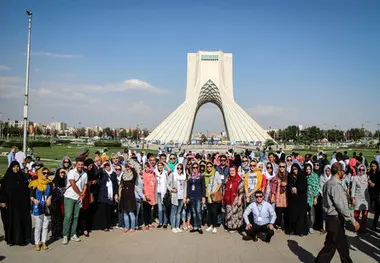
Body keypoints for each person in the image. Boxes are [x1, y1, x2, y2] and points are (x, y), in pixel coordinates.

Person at [315, 162, 360, 263]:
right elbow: (341, 206)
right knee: (330, 247)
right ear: (339, 171)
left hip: (332, 219)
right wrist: (353, 220)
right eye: (343, 170)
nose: (344, 172)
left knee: (342, 247)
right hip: (335, 220)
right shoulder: (335, 185)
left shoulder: (328, 183)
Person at [0, 161, 32, 246]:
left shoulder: (22, 177)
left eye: (17, 166)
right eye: (14, 167)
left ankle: (20, 239)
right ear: (11, 168)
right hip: (10, 205)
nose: (16, 168)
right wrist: (2, 201)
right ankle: (12, 239)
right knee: (11, 221)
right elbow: (2, 191)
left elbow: (27, 190)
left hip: (21, 205)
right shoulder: (6, 178)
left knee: (20, 222)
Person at [62, 158, 88, 245]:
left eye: (81, 165)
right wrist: (81, 193)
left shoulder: (84, 174)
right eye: (79, 164)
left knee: (76, 217)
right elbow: (73, 184)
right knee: (68, 216)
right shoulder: (72, 172)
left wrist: (82, 195)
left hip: (78, 198)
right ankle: (65, 235)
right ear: (76, 164)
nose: (80, 166)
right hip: (69, 197)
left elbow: (85, 185)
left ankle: (73, 234)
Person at [29, 167, 53, 251]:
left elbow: (51, 193)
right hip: (38, 206)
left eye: (47, 173)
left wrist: (50, 198)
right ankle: (37, 243)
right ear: (40, 173)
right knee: (38, 226)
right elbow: (31, 195)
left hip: (47, 206)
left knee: (46, 226)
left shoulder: (50, 183)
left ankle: (44, 242)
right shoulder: (34, 183)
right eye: (44, 173)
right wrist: (34, 200)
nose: (46, 175)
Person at [92, 161, 118, 231]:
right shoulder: (102, 173)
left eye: (108, 165)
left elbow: (115, 184)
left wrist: (116, 194)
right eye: (106, 165)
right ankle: (104, 226)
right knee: (103, 211)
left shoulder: (113, 174)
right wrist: (101, 166)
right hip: (103, 194)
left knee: (109, 210)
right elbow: (96, 174)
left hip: (110, 195)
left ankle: (109, 225)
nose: (107, 166)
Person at [287, 163, 308, 236]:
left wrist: (297, 189)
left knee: (301, 216)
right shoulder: (290, 176)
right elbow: (288, 186)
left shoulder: (302, 176)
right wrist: (291, 189)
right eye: (293, 169)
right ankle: (293, 230)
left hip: (301, 198)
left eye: (295, 169)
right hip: (293, 199)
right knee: (293, 215)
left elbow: (305, 187)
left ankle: (300, 231)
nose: (294, 171)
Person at [186, 162, 206, 234]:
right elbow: (188, 187)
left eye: (196, 167)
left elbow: (203, 187)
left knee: (198, 211)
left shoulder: (201, 176)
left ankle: (199, 226)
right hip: (192, 196)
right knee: (193, 212)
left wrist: (203, 197)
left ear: (198, 168)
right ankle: (195, 226)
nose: (195, 169)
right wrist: (188, 197)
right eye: (193, 167)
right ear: (192, 168)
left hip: (198, 196)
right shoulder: (190, 176)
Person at [167, 163, 187, 233]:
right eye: (178, 168)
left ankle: (177, 226)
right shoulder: (173, 175)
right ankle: (173, 226)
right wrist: (171, 189)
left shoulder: (183, 176)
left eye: (181, 168)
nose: (179, 170)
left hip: (181, 197)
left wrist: (185, 197)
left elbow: (185, 188)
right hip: (175, 196)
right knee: (174, 212)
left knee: (179, 212)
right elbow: (167, 184)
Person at [223, 166, 244, 233]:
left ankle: (234, 227)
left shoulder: (239, 179)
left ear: (236, 171)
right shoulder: (227, 178)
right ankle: (229, 226)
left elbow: (241, 190)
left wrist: (240, 199)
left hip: (236, 198)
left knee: (235, 213)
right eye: (230, 171)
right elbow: (225, 187)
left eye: (233, 171)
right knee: (228, 212)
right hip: (228, 197)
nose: (231, 172)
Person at [118, 163, 138, 233]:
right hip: (124, 195)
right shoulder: (123, 175)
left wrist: (132, 167)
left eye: (128, 167)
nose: (127, 168)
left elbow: (136, 174)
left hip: (130, 195)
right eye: (126, 167)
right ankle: (127, 227)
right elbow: (121, 185)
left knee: (131, 212)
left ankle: (133, 227)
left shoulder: (133, 174)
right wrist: (119, 194)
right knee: (125, 213)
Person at [351, 164, 369, 234]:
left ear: (365, 170)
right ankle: (356, 229)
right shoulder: (355, 178)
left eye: (363, 170)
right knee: (356, 215)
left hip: (366, 199)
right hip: (358, 198)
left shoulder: (367, 177)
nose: (361, 171)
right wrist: (353, 198)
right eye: (360, 170)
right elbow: (353, 189)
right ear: (358, 170)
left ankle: (363, 230)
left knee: (364, 216)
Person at [204, 161, 222, 233]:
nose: (209, 168)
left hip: (214, 195)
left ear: (212, 167)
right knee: (209, 211)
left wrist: (215, 191)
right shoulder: (205, 175)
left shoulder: (216, 173)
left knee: (214, 212)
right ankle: (210, 225)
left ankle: (215, 226)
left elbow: (220, 183)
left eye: (210, 166)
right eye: (207, 166)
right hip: (208, 195)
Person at [270, 160, 288, 231]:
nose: (282, 168)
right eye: (280, 166)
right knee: (279, 212)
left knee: (286, 212)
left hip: (286, 196)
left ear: (285, 167)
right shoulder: (276, 176)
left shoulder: (288, 175)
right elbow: (273, 186)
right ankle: (278, 224)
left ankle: (286, 225)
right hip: (278, 196)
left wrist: (286, 184)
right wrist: (273, 195)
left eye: (283, 166)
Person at [51, 168, 67, 239]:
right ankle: (55, 233)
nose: (62, 174)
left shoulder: (65, 180)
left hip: (63, 202)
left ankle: (61, 232)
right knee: (55, 218)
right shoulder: (54, 181)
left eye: (63, 173)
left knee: (62, 218)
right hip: (56, 202)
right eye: (61, 173)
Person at [305, 163, 320, 234]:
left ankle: (311, 226)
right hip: (304, 197)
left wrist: (315, 198)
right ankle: (305, 226)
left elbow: (317, 187)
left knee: (312, 213)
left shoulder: (315, 176)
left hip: (312, 197)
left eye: (309, 169)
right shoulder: (304, 176)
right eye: (306, 169)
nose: (308, 170)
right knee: (305, 213)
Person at [142, 162, 156, 230]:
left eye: (147, 167)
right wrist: (146, 194)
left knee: (150, 209)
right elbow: (144, 185)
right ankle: (146, 224)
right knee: (146, 209)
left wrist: (151, 170)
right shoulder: (144, 174)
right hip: (146, 194)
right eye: (144, 167)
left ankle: (150, 223)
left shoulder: (153, 173)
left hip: (152, 194)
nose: (145, 169)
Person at [155, 162, 169, 228]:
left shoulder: (166, 172)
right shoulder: (155, 173)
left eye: (161, 165)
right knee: (160, 209)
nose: (160, 167)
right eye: (158, 165)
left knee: (165, 208)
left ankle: (165, 223)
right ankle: (160, 222)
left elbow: (170, 170)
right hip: (158, 192)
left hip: (164, 192)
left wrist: (164, 163)